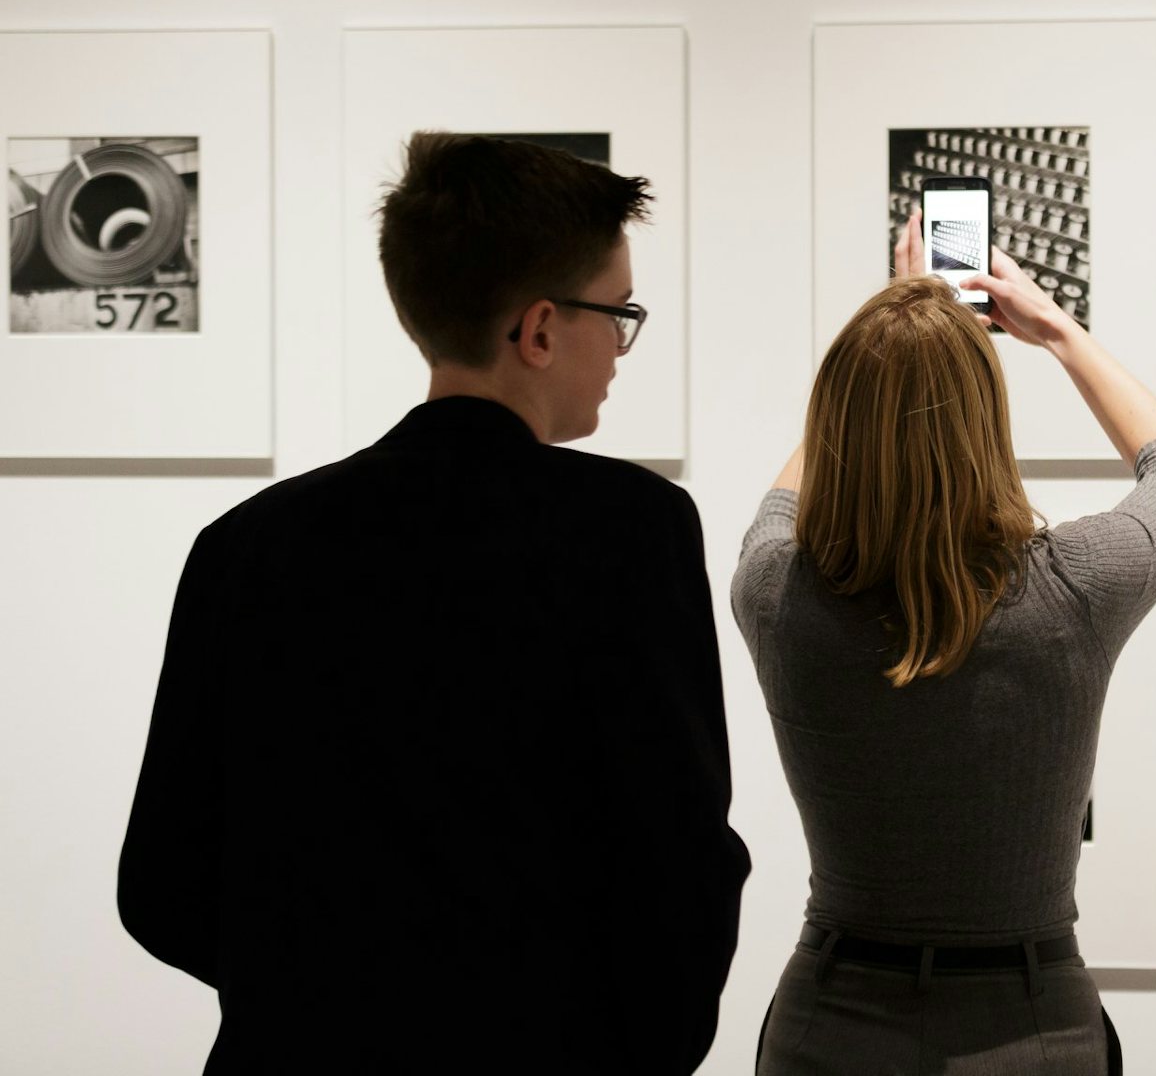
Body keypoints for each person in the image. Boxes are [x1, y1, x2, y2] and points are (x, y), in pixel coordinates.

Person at [117, 133, 749, 1073]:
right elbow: (678, 860)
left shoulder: (245, 546)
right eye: (618, 313)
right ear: (537, 331)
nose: (620, 344)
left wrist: (310, 997)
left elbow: (163, 882)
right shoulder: (631, 532)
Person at [732, 214, 1156, 1074]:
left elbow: (777, 510)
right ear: (985, 426)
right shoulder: (1074, 588)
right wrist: (1056, 330)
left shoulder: (776, 595)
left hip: (831, 1020)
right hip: (1031, 1028)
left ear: (837, 418)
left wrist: (886, 345)